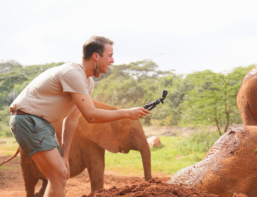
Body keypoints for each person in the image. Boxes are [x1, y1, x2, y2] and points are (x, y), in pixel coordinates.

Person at [9, 36, 151, 197]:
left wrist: (65, 156)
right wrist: (127, 113)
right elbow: (91, 116)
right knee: (59, 176)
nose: (112, 60)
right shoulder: (73, 73)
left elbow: (72, 119)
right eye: (110, 55)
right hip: (28, 120)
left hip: (41, 123)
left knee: (58, 175)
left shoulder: (87, 82)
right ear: (96, 56)